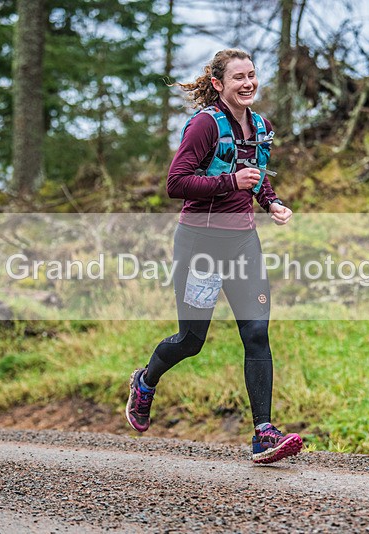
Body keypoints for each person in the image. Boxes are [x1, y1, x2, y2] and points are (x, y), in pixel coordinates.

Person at [125, 48, 302, 464]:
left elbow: (255, 176)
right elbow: (176, 183)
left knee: (257, 334)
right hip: (200, 246)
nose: (248, 83)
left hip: (242, 243)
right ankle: (145, 382)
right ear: (219, 84)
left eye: (252, 75)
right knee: (191, 340)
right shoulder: (205, 125)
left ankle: (263, 434)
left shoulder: (261, 126)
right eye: (238, 77)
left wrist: (271, 202)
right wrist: (230, 182)